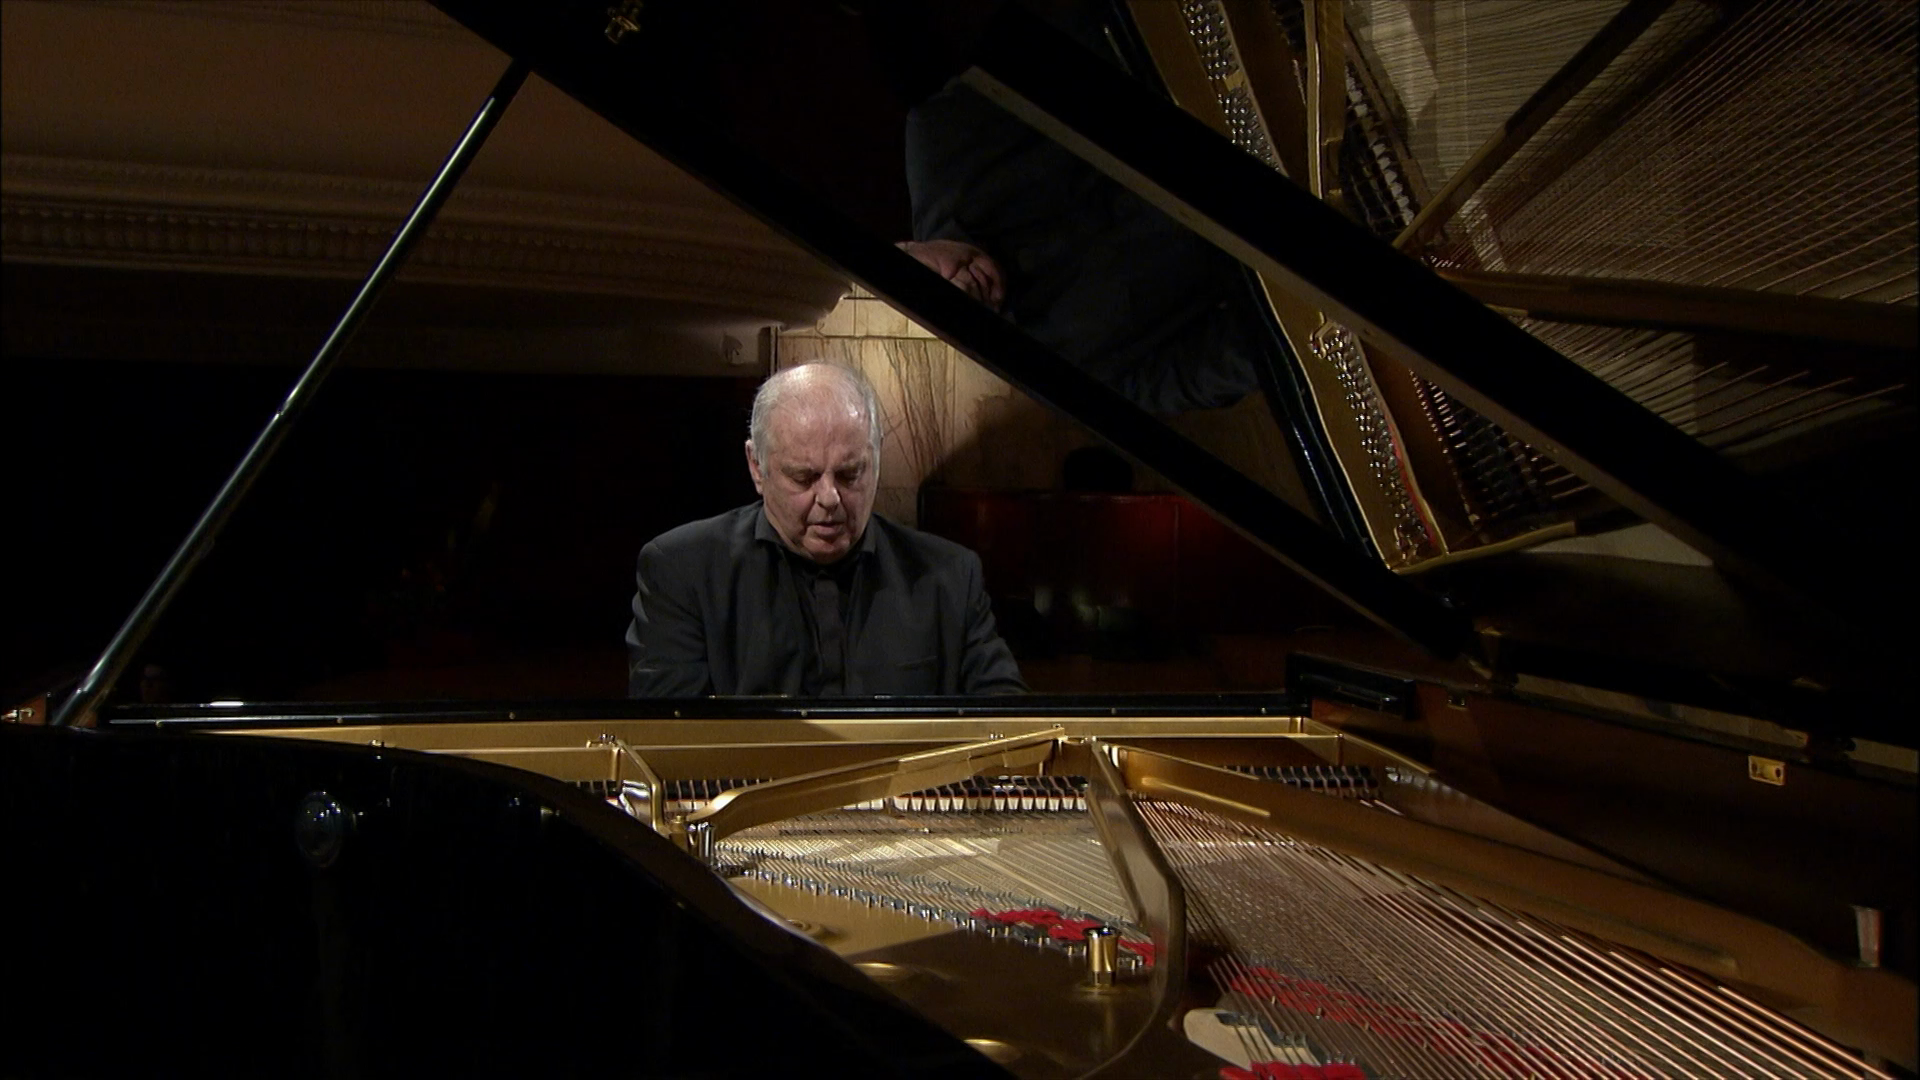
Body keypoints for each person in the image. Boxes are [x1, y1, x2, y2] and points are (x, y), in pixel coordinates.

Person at [625, 363, 1026, 697]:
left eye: (850, 474)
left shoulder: (950, 576)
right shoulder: (682, 570)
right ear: (756, 467)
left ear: (877, 457)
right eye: (804, 477)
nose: (830, 498)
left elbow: (1008, 722)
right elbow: (671, 737)